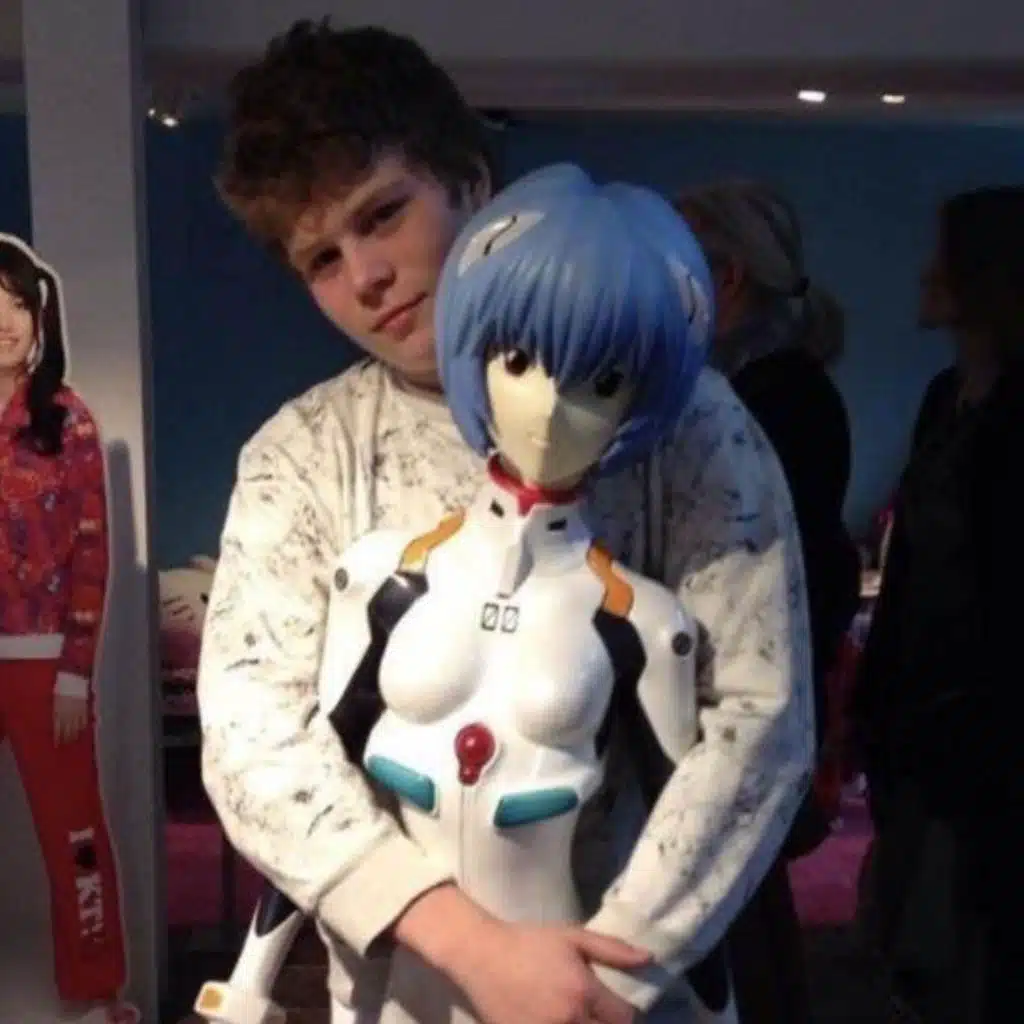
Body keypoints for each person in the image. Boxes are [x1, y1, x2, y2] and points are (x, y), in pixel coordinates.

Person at [196, 20, 814, 1024]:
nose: (366, 276)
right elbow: (252, 737)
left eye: (383, 213)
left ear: (471, 181)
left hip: (632, 994)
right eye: (321, 259)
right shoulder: (303, 454)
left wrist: (610, 972)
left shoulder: (683, 421)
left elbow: (760, 718)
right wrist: (467, 944)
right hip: (399, 994)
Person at [676, 183, 861, 1024]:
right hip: (762, 677)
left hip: (752, 684)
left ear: (727, 277)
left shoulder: (769, 398)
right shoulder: (778, 388)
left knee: (735, 905)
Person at [853, 186, 1024, 1024]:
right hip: (922, 714)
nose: (926, 274)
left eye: (946, 258)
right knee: (921, 942)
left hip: (991, 729)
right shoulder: (943, 397)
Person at [0, 234, 137, 1024]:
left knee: (74, 838)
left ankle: (96, 995)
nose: (4, 321)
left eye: (17, 304)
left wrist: (75, 673)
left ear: (39, 316)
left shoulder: (66, 419)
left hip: (42, 663)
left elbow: (92, 549)